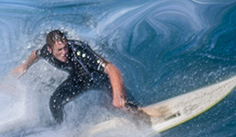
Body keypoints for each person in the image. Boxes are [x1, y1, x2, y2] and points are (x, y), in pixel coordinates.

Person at [13, 29, 146, 125]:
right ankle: (63, 130)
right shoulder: (46, 52)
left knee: (120, 104)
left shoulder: (79, 51)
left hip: (99, 78)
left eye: (65, 47)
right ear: (50, 49)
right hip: (79, 80)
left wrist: (118, 95)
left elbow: (111, 69)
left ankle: (141, 116)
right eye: (59, 50)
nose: (64, 52)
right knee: (55, 102)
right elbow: (35, 54)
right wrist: (25, 66)